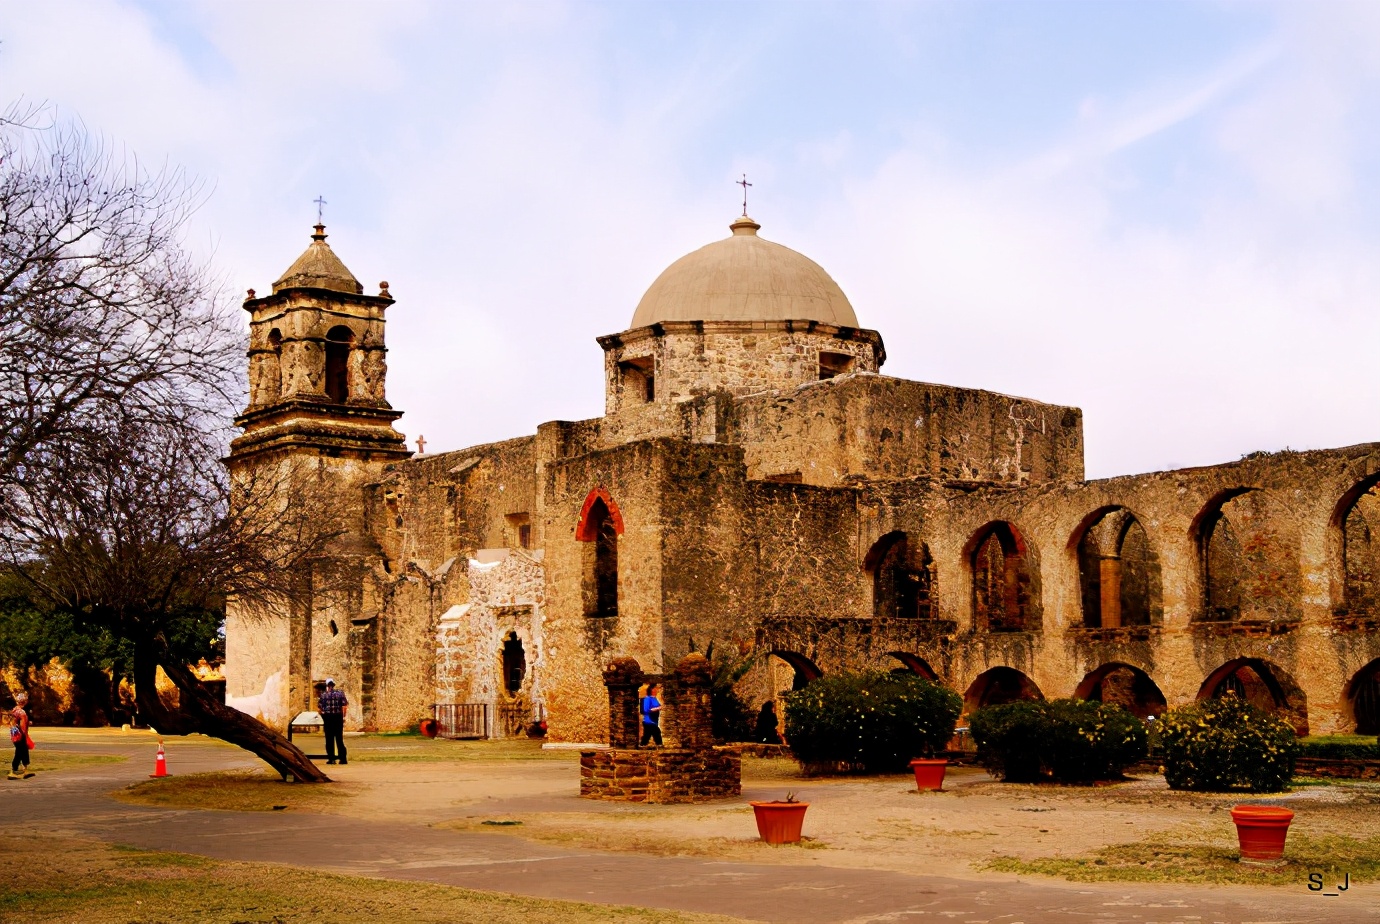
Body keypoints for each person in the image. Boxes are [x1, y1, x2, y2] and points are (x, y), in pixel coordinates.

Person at [317, 679, 348, 765]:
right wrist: (343, 716)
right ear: (333, 685)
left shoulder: (323, 695)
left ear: (327, 686)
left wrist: (324, 715)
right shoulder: (340, 693)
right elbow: (344, 706)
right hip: (338, 717)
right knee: (339, 739)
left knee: (329, 739)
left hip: (328, 718)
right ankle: (343, 759)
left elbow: (320, 708)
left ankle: (331, 759)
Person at [8, 691, 33, 780]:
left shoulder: (14, 710)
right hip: (20, 735)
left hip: (14, 733)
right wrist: (24, 735)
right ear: (25, 701)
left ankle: (20, 770)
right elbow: (22, 726)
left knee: (20, 752)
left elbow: (12, 722)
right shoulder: (22, 712)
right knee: (21, 751)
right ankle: (15, 771)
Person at [639, 682, 663, 748]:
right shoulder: (647, 698)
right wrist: (658, 708)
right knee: (657, 732)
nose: (657, 690)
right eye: (656, 688)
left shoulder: (654, 698)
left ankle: (642, 745)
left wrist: (659, 707)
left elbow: (658, 706)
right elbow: (646, 710)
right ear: (652, 689)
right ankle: (660, 745)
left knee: (647, 734)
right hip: (649, 720)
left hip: (654, 720)